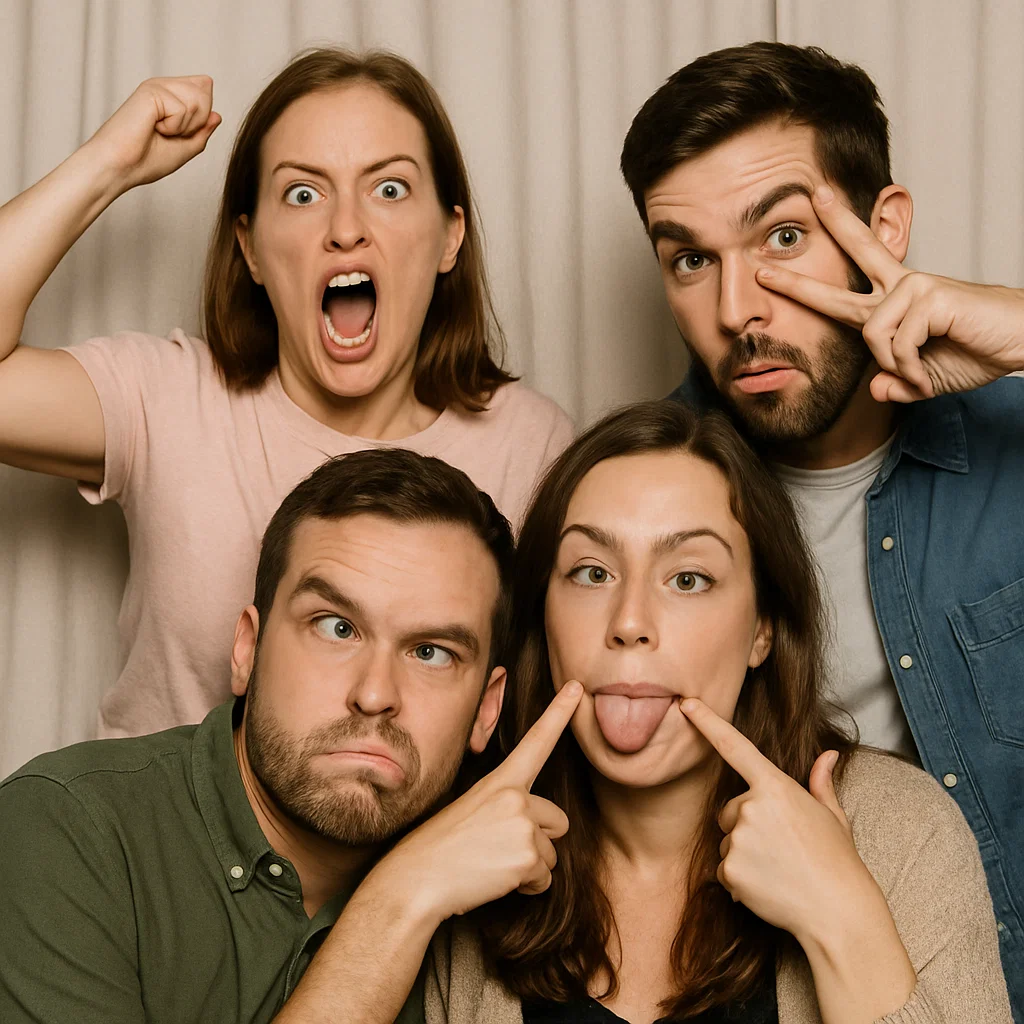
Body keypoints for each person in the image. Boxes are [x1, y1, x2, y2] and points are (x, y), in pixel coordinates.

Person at [0, 48, 572, 741]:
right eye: (303, 193)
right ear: (250, 248)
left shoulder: (534, 447)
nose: (345, 228)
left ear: (450, 235)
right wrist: (107, 166)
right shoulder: (170, 399)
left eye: (388, 189)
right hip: (153, 842)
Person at [618, 41, 1024, 1013]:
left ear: (881, 226)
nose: (736, 309)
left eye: (782, 238)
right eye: (688, 258)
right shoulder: (637, 509)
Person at [424, 401, 1012, 1024]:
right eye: (593, 572)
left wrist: (841, 918)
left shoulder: (906, 833)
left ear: (762, 628)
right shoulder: (473, 846)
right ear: (544, 616)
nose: (628, 623)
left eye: (688, 580)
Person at [0, 446, 585, 1024]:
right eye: (336, 628)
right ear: (247, 651)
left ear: (487, 709)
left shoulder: (503, 892)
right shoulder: (65, 826)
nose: (375, 693)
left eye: (430, 652)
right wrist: (400, 903)